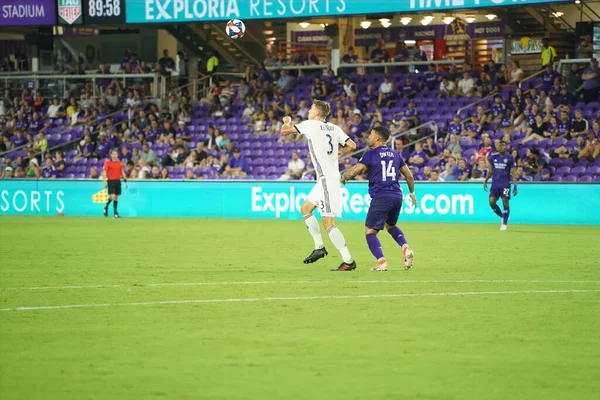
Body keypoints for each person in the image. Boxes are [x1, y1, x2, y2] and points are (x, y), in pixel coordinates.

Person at [280, 100, 358, 271]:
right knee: (305, 209)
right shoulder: (334, 127)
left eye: (310, 109)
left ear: (316, 114)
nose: (308, 111)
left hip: (327, 180)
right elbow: (352, 145)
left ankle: (348, 260)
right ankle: (319, 247)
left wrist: (287, 122)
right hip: (324, 180)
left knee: (328, 222)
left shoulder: (311, 124)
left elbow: (285, 131)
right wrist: (341, 152)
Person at [340, 126, 416, 271]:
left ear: (377, 138)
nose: (368, 137)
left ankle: (382, 262)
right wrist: (412, 193)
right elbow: (409, 176)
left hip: (381, 196)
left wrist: (343, 177)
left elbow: (355, 171)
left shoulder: (371, 154)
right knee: (390, 225)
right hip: (397, 196)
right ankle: (405, 248)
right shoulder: (395, 154)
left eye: (371, 134)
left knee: (370, 231)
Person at [484, 140, 517, 231]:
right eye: (500, 145)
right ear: (497, 147)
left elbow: (513, 173)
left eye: (504, 145)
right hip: (495, 184)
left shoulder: (510, 158)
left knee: (505, 202)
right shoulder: (493, 157)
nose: (502, 147)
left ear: (506, 147)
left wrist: (515, 186)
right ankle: (503, 216)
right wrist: (486, 181)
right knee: (491, 202)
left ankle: (504, 224)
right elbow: (491, 171)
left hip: (505, 184)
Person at [103, 149, 128, 218]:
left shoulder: (119, 163)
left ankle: (115, 213)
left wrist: (125, 181)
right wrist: (105, 181)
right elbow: (104, 172)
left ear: (117, 155)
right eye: (113, 154)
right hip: (111, 181)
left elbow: (122, 172)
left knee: (116, 197)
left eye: (115, 154)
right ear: (111, 155)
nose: (114, 155)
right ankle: (106, 207)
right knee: (112, 196)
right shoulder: (107, 163)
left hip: (118, 181)